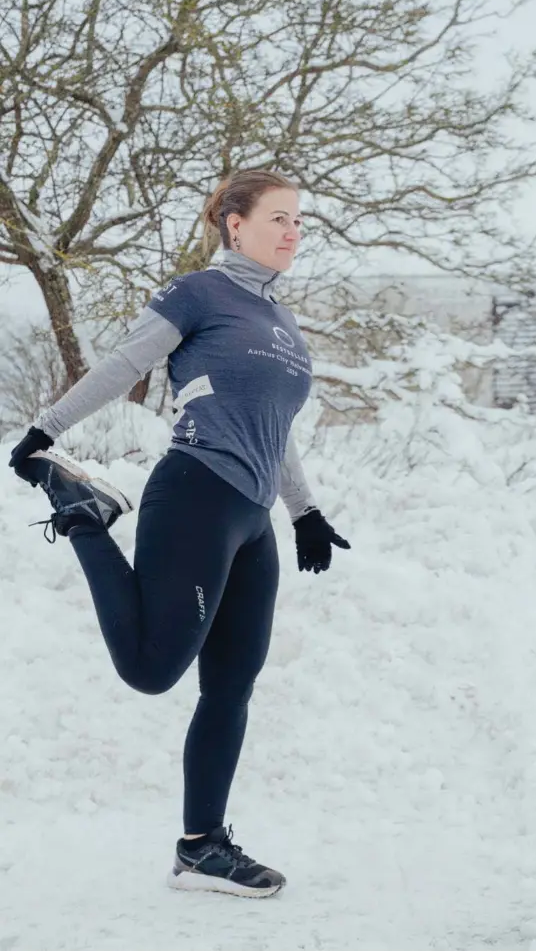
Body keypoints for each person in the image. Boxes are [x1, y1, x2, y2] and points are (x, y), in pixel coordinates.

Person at [8, 169, 350, 899]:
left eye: (299, 221)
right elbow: (125, 361)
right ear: (234, 223)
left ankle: (202, 848)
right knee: (151, 669)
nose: (294, 231)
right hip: (195, 490)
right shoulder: (198, 294)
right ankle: (82, 515)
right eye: (279, 217)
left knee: (230, 686)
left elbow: (273, 428)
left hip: (251, 519)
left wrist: (305, 512)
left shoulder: (283, 325)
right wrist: (45, 432)